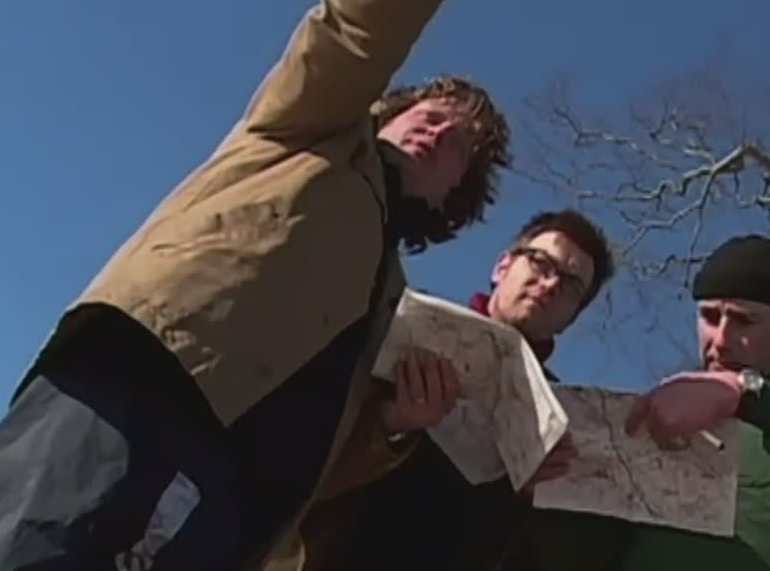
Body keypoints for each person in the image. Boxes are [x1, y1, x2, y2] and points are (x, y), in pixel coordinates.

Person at [0, 0, 519, 569]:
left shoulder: (393, 298)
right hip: (138, 394)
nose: (437, 131)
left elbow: (328, 457)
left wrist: (395, 427)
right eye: (428, 114)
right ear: (385, 110)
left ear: (454, 198)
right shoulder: (310, 129)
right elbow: (351, 34)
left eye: (458, 146)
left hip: (233, 515)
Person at [524, 235, 770, 571]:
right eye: (710, 317)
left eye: (744, 320)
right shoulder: (664, 416)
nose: (721, 339)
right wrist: (549, 491)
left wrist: (745, 392)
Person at [264, 209, 616, 571]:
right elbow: (295, 443)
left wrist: (526, 495)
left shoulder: (562, 424)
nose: (551, 284)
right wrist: (392, 423)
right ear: (503, 267)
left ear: (572, 318)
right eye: (541, 263)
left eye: (571, 286)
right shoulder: (401, 326)